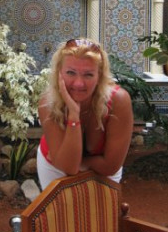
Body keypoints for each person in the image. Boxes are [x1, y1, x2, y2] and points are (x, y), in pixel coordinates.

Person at [37, 38, 134, 190]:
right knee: (61, 206)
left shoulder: (118, 101)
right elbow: (68, 167)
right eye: (71, 73)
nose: (79, 83)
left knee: (101, 206)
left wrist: (82, 163)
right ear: (59, 73)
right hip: (55, 169)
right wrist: (73, 115)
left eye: (88, 75)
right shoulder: (48, 103)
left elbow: (110, 166)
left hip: (102, 173)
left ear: (99, 76)